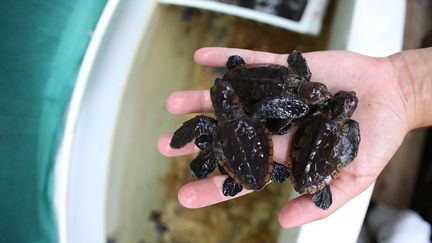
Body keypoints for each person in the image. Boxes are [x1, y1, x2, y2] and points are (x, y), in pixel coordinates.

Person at [157, 47, 432, 228]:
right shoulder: (258, 115)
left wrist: (405, 89)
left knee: (212, 133)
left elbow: (274, 117)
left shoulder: (253, 116)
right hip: (254, 125)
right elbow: (271, 119)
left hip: (248, 127)